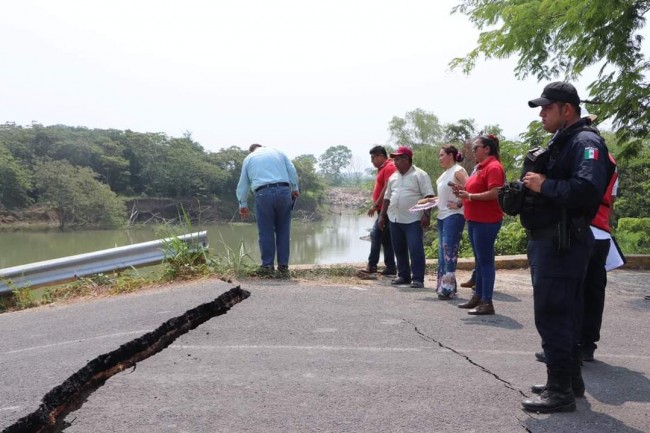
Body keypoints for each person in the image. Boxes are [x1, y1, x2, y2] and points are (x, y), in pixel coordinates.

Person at [519, 82, 611, 413]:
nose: (542, 113)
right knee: (565, 312)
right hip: (553, 239)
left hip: (563, 241)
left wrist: (545, 185)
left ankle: (559, 392)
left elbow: (587, 189)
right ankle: (570, 381)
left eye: (547, 107)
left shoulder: (586, 142)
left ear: (567, 109)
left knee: (553, 313)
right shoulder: (565, 141)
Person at [534, 154, 621, 364]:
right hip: (601, 231)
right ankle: (586, 345)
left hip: (579, 229)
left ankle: (567, 347)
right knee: (593, 292)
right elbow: (612, 199)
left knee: (570, 292)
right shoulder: (610, 162)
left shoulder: (582, 156)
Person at [453, 134, 505, 315]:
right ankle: (478, 296)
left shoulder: (493, 167)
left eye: (476, 148)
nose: (473, 151)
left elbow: (495, 192)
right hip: (475, 219)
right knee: (480, 262)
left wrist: (470, 196)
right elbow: (473, 189)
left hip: (486, 221)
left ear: (487, 149)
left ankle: (487, 301)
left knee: (485, 262)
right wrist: (463, 192)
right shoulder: (479, 167)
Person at [236, 144, 300, 275]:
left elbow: (243, 183)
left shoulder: (249, 158)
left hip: (263, 193)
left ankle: (267, 267)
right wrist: (295, 188)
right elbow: (291, 170)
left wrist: (243, 204)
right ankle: (283, 267)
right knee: (283, 230)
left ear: (252, 150)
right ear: (262, 146)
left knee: (266, 231)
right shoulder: (278, 152)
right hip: (284, 191)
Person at [378, 146, 435, 289]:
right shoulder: (393, 177)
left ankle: (418, 278)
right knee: (399, 248)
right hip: (394, 218)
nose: (395, 162)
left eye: (397, 159)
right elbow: (387, 197)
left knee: (415, 249)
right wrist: (382, 216)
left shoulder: (420, 175)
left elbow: (429, 196)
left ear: (406, 159)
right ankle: (403, 275)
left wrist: (426, 215)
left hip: (413, 219)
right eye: (394, 159)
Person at [421, 144, 468, 299]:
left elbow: (471, 190)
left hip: (454, 215)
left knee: (449, 250)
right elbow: (443, 196)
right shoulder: (445, 174)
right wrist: (427, 202)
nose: (439, 158)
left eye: (442, 155)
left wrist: (459, 204)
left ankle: (448, 286)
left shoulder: (458, 171)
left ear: (451, 155)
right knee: (442, 253)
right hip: (442, 216)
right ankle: (444, 285)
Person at [357, 146, 397, 278]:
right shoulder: (382, 168)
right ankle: (391, 267)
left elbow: (387, 188)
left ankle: (372, 265)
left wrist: (375, 205)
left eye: (373, 158)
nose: (372, 161)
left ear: (381, 156)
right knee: (386, 239)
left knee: (374, 234)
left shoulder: (390, 167)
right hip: (382, 208)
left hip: (385, 208)